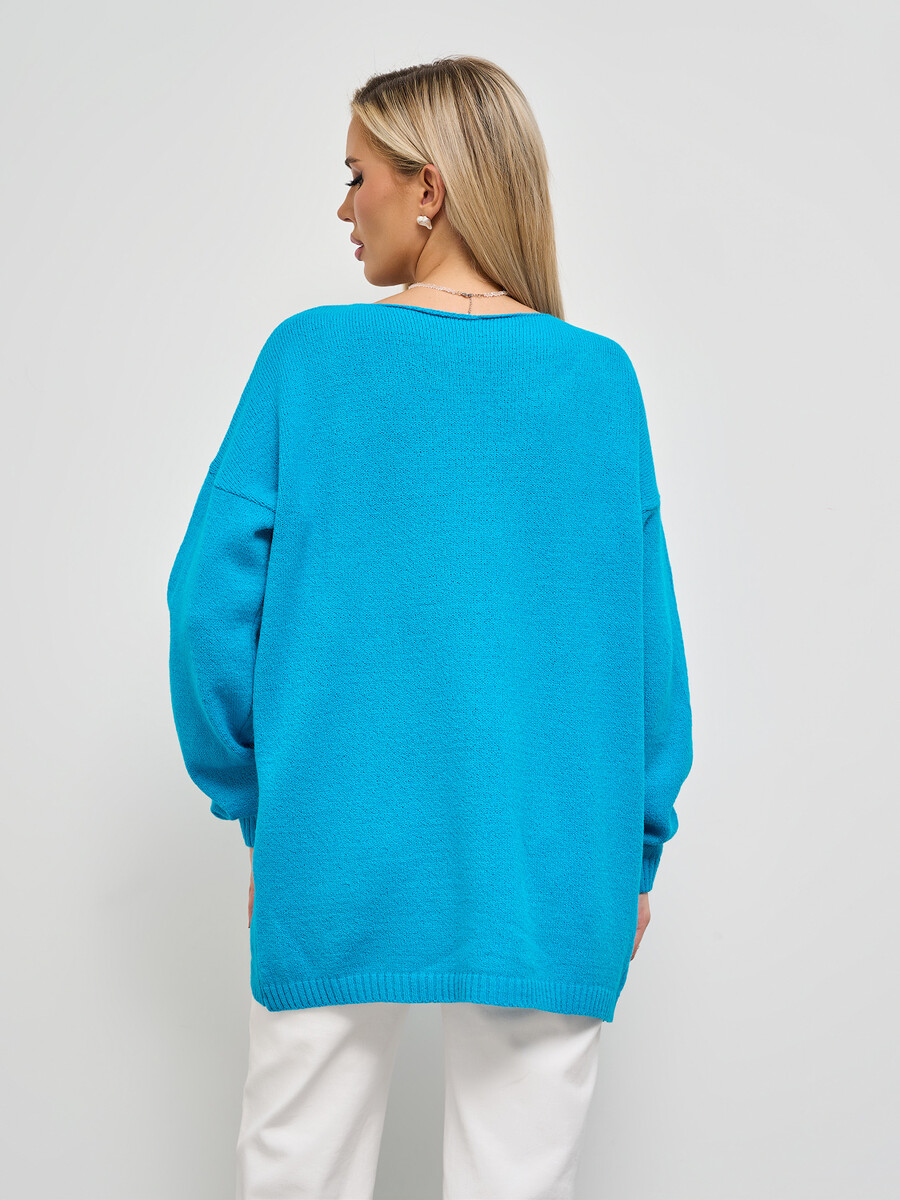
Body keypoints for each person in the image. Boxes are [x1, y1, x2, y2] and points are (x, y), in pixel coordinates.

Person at [166, 54, 693, 1200]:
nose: (343, 206)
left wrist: (263, 808)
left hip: (334, 844)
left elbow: (207, 608)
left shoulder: (308, 359)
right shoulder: (600, 384)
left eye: (356, 175)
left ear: (429, 189)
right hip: (552, 853)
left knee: (295, 1175)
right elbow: (648, 652)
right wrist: (635, 845)